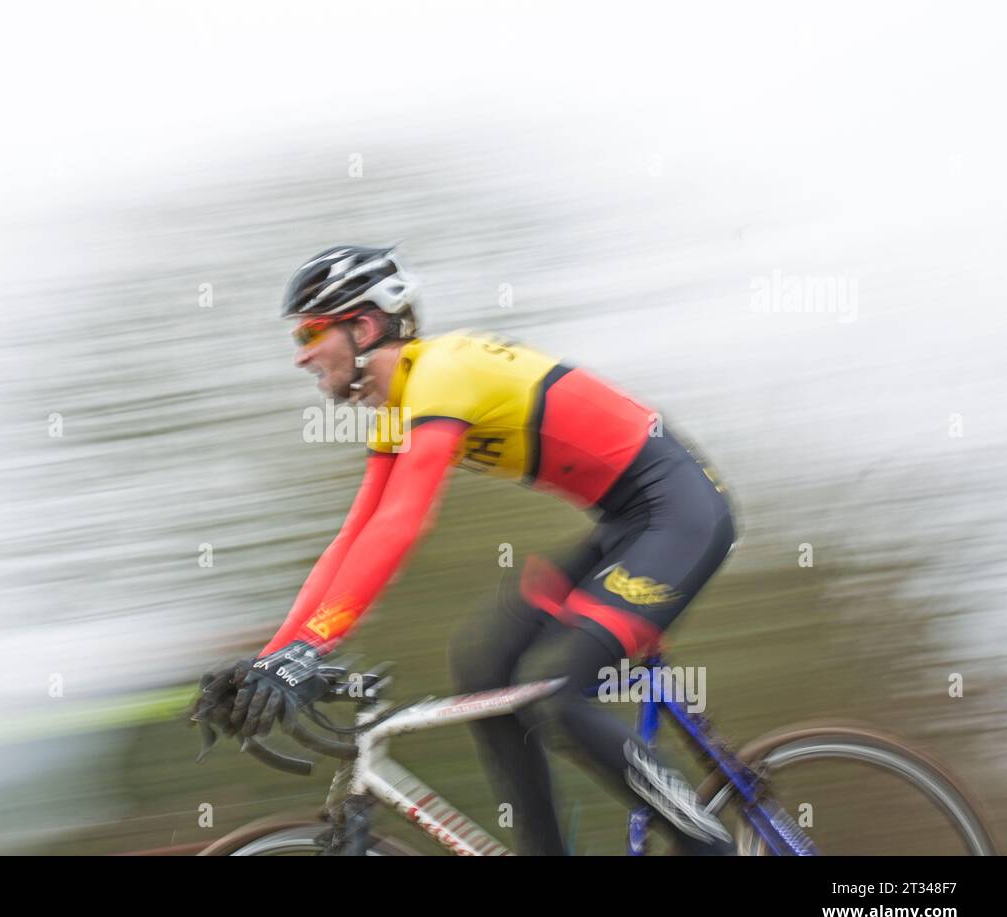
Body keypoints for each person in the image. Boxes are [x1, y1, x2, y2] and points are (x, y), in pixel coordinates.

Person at [195, 245, 737, 855]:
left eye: (312, 331)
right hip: (627, 525)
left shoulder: (441, 373)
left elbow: (400, 524)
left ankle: (707, 845)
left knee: (557, 694)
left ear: (364, 326)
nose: (301, 354)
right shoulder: (400, 408)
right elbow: (354, 537)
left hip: (682, 517)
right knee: (483, 669)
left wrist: (311, 646)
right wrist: (275, 658)